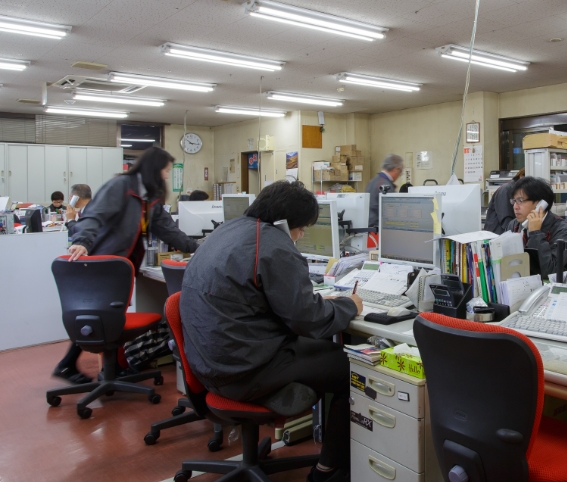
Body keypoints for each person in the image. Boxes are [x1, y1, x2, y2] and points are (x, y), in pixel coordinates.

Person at [180, 181, 361, 482]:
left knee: (318, 351)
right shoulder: (274, 246)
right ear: (285, 223)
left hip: (209, 364)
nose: (301, 235)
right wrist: (350, 305)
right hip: (245, 370)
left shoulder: (227, 231)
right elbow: (309, 320)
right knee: (351, 369)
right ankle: (329, 469)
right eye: (302, 228)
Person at [54, 147, 200, 384]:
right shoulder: (120, 186)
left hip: (124, 266)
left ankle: (111, 367)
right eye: (165, 170)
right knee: (100, 316)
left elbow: (169, 231)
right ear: (154, 168)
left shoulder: (149, 197)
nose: (166, 176)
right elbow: (94, 216)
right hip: (105, 262)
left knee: (108, 316)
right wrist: (82, 241)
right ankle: (68, 365)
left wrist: (200, 248)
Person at [505, 177, 567, 277]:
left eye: (520, 200)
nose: (515, 206)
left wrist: (535, 233)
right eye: (514, 201)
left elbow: (550, 272)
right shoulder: (514, 225)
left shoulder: (562, 230)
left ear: (540, 205)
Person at [366, 154, 403, 228]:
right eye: (401, 172)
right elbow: (391, 212)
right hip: (378, 228)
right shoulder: (386, 185)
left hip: (369, 226)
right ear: (396, 169)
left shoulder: (373, 181)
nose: (400, 175)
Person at [484, 168, 525, 234]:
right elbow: (506, 218)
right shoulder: (506, 189)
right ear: (521, 176)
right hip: (498, 233)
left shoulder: (516, 190)